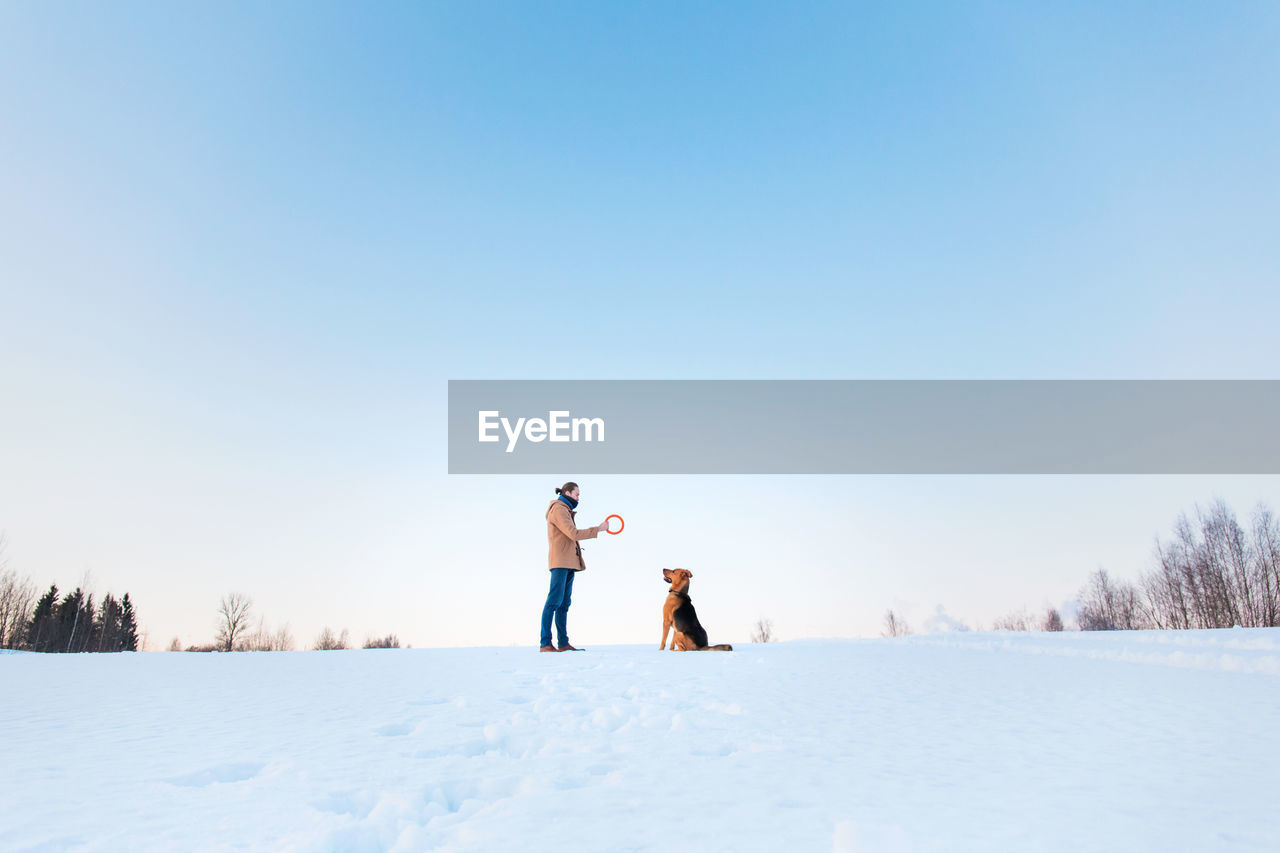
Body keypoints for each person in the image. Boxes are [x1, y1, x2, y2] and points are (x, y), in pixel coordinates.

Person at [541, 481, 609, 652]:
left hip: (569, 562)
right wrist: (597, 529)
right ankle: (545, 643)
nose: (579, 498)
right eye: (577, 494)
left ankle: (563, 643)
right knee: (554, 602)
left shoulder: (565, 510)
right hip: (560, 562)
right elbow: (573, 533)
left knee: (564, 604)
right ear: (568, 493)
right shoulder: (559, 509)